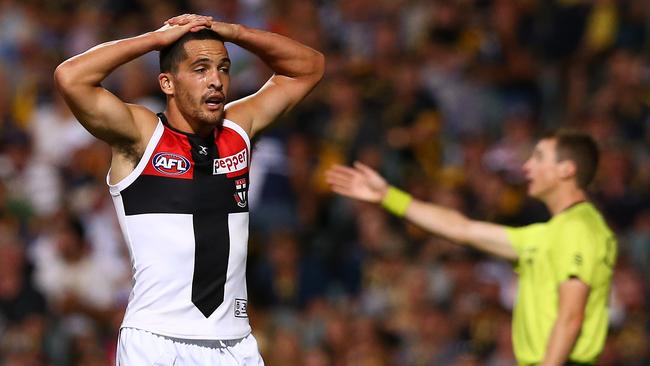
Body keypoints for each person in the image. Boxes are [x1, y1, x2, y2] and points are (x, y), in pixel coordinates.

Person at [54, 13, 324, 365]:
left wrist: (232, 31)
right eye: (200, 69)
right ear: (167, 83)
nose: (216, 81)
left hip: (234, 344)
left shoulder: (238, 129)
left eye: (223, 69)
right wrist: (155, 39)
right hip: (157, 342)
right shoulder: (141, 136)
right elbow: (70, 76)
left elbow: (310, 67)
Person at [326, 130, 617, 366]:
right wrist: (388, 196)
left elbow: (571, 315)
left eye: (539, 157)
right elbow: (460, 229)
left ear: (566, 169)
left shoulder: (577, 228)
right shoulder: (546, 235)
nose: (527, 166)